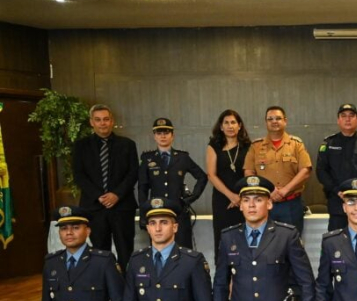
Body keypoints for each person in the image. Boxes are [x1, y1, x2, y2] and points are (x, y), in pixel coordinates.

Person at [72, 104, 139, 271]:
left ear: (112, 121)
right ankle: (104, 291)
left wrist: (116, 194)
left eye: (106, 119)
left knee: (126, 252)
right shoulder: (81, 146)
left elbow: (133, 173)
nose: (102, 123)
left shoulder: (128, 144)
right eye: (98, 120)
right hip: (94, 208)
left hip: (122, 207)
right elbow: (79, 176)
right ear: (91, 123)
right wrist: (99, 196)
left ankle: (127, 292)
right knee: (100, 254)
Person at [138, 118, 208, 248]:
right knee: (158, 250)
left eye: (166, 132)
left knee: (183, 250)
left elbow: (202, 177)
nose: (163, 136)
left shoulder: (182, 157)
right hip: (156, 212)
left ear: (172, 135)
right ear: (154, 136)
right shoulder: (147, 159)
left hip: (179, 212)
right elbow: (142, 188)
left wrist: (191, 198)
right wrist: (143, 215)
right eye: (159, 133)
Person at [243, 106, 312, 237]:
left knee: (292, 245)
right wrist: (270, 190)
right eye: (270, 119)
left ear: (285, 121)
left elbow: (305, 170)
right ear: (266, 122)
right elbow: (249, 173)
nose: (274, 121)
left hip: (291, 204)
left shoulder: (296, 144)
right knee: (265, 244)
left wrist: (285, 190)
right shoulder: (256, 146)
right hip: (264, 203)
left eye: (278, 118)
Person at [316, 104, 357, 231]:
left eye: (351, 116)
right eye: (343, 116)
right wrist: (337, 190)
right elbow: (321, 171)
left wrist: (355, 189)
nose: (348, 119)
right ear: (338, 120)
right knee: (336, 242)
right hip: (337, 200)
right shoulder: (329, 143)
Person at [206, 109, 252, 264]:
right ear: (221, 126)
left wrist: (241, 196)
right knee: (223, 240)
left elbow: (250, 174)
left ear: (239, 126)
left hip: (244, 200)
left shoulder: (248, 146)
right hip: (222, 201)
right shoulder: (214, 146)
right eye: (226, 122)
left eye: (233, 122)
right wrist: (231, 196)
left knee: (244, 239)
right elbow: (211, 175)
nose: (230, 126)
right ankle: (222, 282)